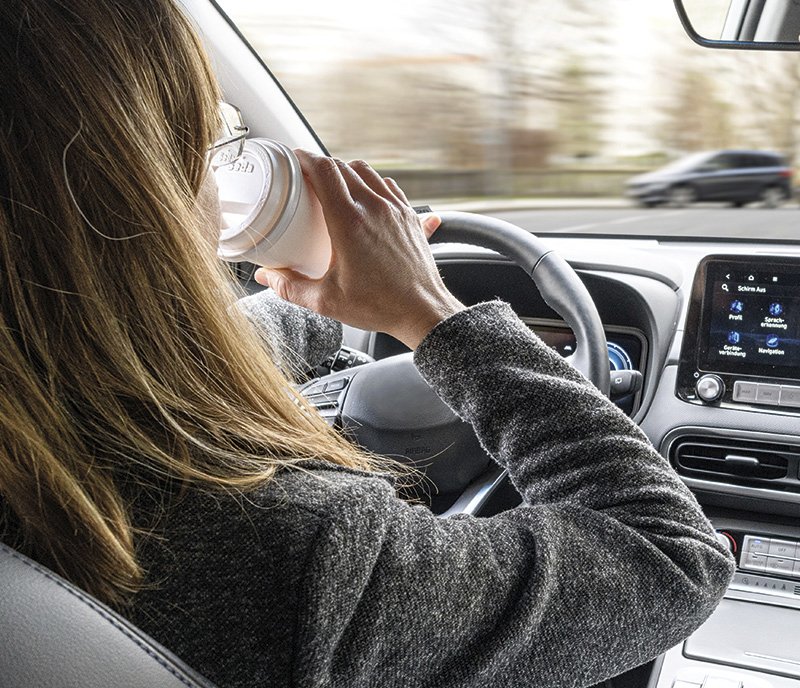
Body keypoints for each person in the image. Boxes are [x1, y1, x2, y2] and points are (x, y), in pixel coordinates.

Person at [0, 2, 733, 687]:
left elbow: (163, 364)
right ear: (142, 193)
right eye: (208, 141)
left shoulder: (50, 442)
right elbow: (672, 554)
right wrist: (431, 313)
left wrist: (333, 289)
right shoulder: (299, 551)